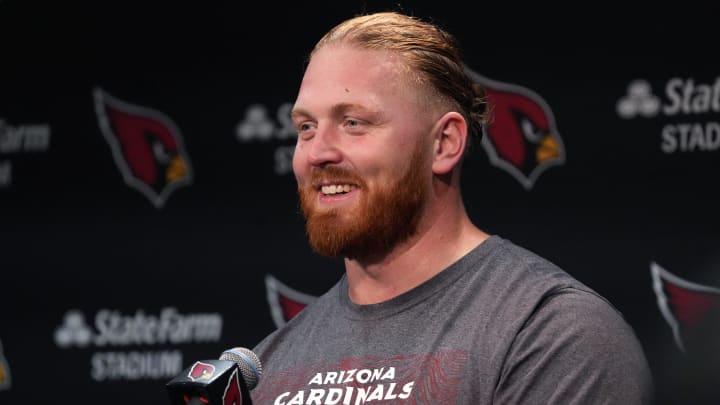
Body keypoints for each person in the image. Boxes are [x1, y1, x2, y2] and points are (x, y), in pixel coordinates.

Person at [252, 11, 654, 404]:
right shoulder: (266, 364)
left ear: (443, 143)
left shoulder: (553, 335)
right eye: (306, 127)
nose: (317, 153)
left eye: (353, 122)